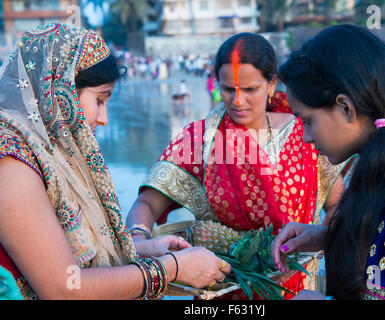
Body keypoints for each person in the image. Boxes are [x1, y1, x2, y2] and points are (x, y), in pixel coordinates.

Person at [0, 23, 230, 300]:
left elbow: (67, 251)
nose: (104, 118)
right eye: (99, 100)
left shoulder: (48, 151)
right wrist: (171, 268)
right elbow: (64, 289)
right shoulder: (11, 162)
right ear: (59, 90)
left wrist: (140, 250)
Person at [127, 32, 344, 299]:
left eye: (251, 90)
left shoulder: (305, 132)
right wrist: (138, 240)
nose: (238, 101)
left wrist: (322, 241)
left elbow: (336, 204)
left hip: (296, 286)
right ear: (216, 83)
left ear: (272, 83)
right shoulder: (200, 139)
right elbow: (147, 203)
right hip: (222, 286)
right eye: (228, 89)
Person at [271, 24, 385, 300]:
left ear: (346, 107)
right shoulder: (369, 171)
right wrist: (329, 237)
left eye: (307, 120)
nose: (305, 137)